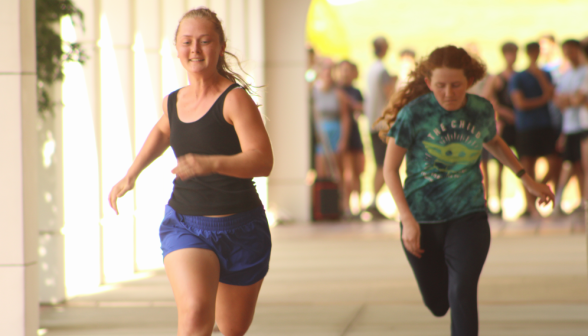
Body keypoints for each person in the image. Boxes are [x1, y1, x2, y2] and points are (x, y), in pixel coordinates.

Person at [108, 7, 273, 336]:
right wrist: (131, 174)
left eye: (204, 41)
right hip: (186, 225)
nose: (195, 50)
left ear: (220, 46)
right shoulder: (173, 101)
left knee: (231, 328)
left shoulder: (234, 100)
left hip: (242, 230)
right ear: (177, 48)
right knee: (196, 313)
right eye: (186, 42)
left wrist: (211, 163)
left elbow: (262, 160)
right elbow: (162, 132)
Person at [381, 45, 554, 336]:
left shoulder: (480, 109)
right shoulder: (414, 114)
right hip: (422, 220)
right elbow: (389, 169)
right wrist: (407, 220)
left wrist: (527, 180)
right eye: (440, 86)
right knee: (438, 303)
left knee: (462, 291)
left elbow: (494, 142)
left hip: (469, 217)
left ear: (469, 82)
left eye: (456, 85)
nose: (449, 92)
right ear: (428, 84)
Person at [509, 42, 558, 218]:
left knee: (554, 161)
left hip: (544, 124)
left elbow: (552, 96)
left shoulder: (545, 74)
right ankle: (531, 206)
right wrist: (542, 100)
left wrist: (540, 78)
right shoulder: (519, 77)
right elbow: (520, 103)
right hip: (526, 126)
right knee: (527, 165)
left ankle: (539, 187)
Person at [482, 42, 519, 216]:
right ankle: (496, 203)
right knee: (498, 166)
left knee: (520, 164)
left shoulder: (518, 77)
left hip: (518, 125)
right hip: (504, 124)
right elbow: (486, 99)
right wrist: (501, 112)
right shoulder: (497, 78)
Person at [552, 39, 588, 215]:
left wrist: (572, 99)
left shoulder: (585, 72)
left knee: (582, 166)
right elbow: (560, 100)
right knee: (571, 164)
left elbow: (577, 99)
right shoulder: (566, 75)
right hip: (571, 126)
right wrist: (571, 99)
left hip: (582, 125)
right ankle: (565, 201)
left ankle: (583, 201)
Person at [313, 61, 351, 214]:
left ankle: (342, 205)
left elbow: (345, 117)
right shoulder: (314, 93)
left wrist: (343, 139)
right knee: (321, 171)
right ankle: (323, 206)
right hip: (321, 135)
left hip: (335, 134)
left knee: (338, 172)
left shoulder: (338, 94)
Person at [366, 36, 397, 219]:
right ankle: (374, 201)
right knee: (385, 164)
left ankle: (373, 200)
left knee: (381, 163)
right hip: (382, 124)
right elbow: (389, 93)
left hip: (374, 122)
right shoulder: (382, 71)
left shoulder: (371, 69)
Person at [339, 60, 365, 219]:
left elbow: (361, 108)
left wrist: (350, 103)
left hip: (355, 133)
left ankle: (359, 205)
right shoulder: (336, 91)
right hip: (343, 135)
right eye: (343, 70)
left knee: (358, 171)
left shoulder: (356, 92)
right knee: (346, 173)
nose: (346, 73)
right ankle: (346, 206)